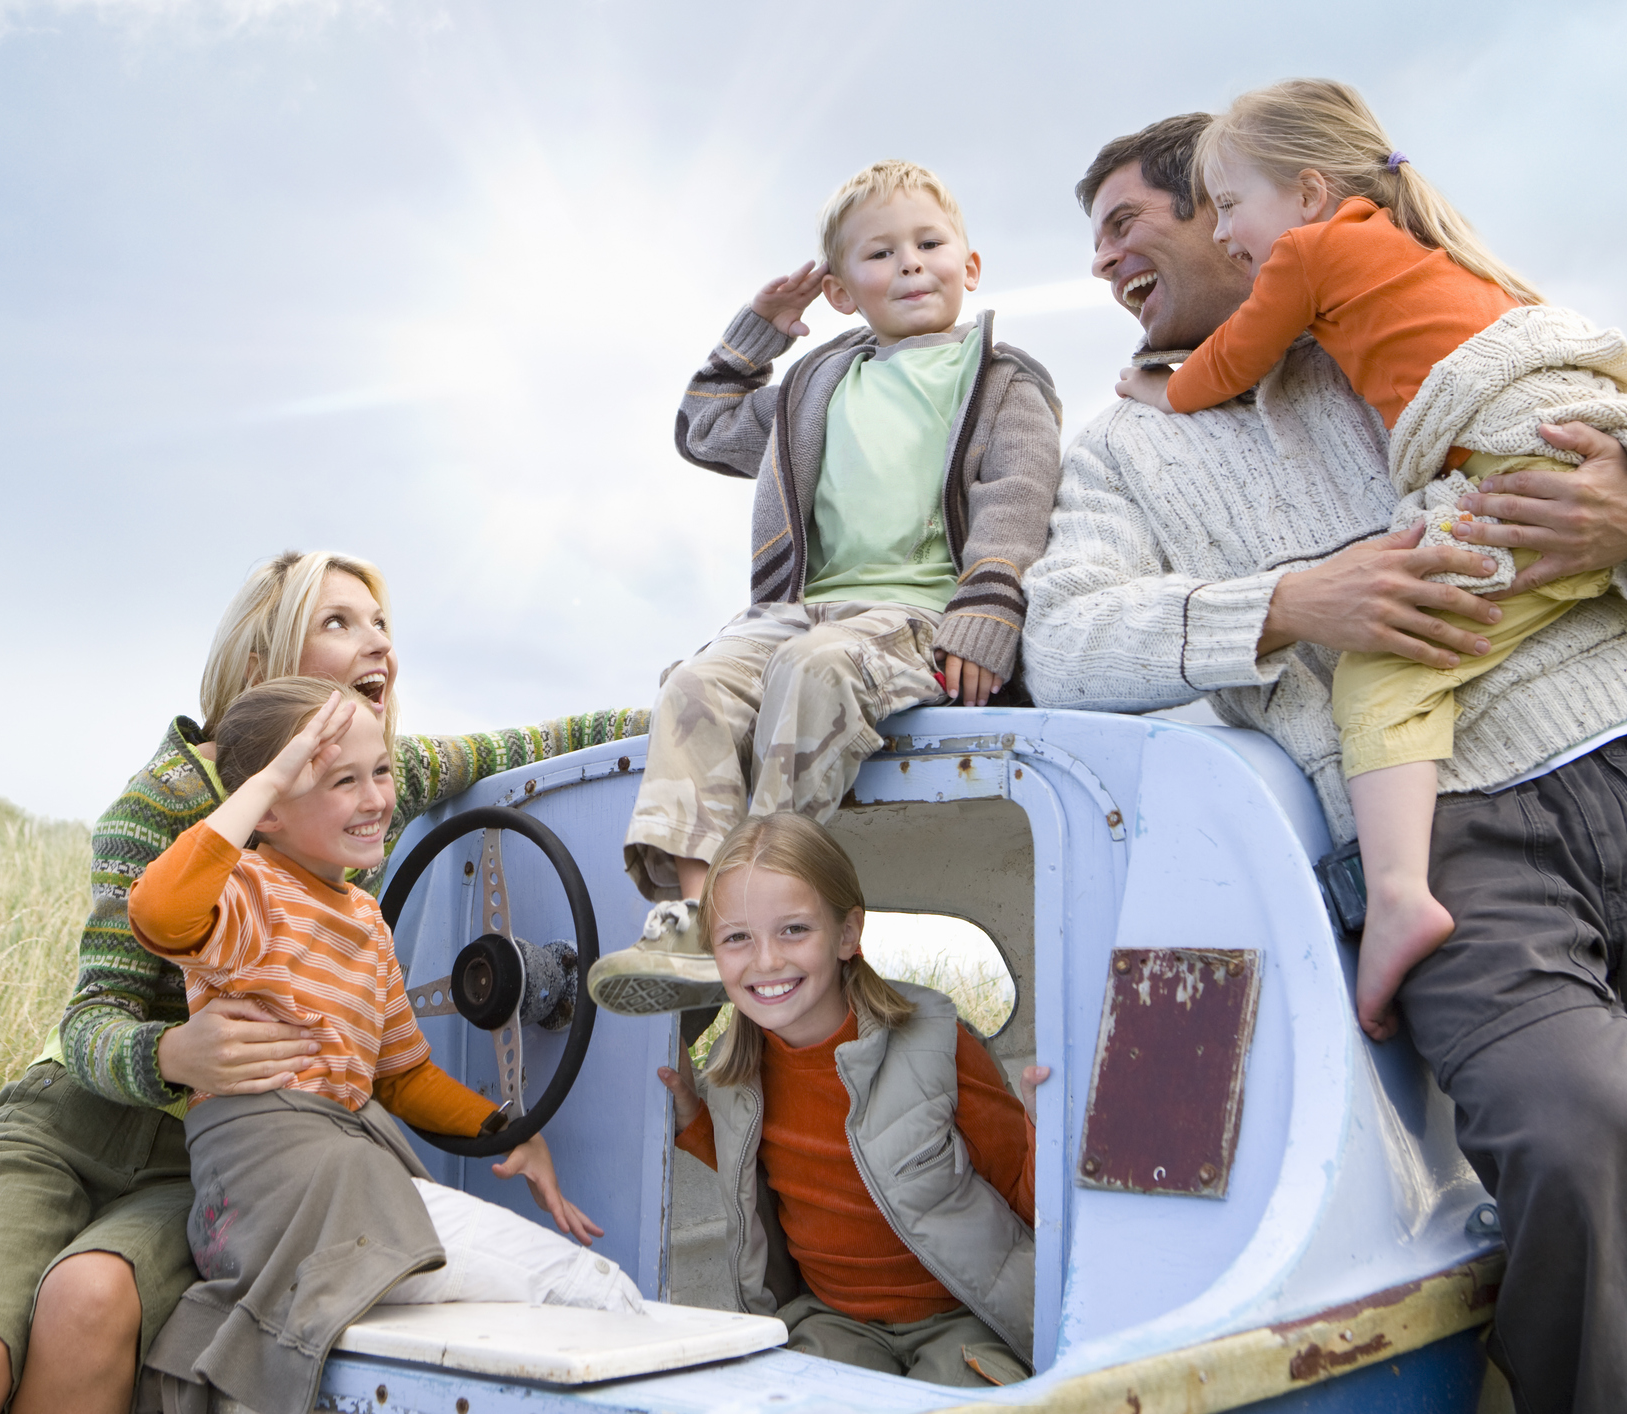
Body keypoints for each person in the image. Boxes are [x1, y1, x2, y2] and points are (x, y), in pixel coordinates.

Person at [1024, 113, 1627, 1413]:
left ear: (1242, 214)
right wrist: (1297, 603)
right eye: (1091, 239)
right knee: (1580, 1145)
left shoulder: (1435, 322)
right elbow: (1066, 642)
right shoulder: (1117, 450)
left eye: (1132, 220)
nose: (1104, 260)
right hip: (1455, 849)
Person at [0, 549, 648, 1414]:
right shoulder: (172, 815)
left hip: (203, 1165)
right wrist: (175, 1050)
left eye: (381, 625)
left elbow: (534, 746)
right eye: (338, 623)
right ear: (260, 668)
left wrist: (684, 711)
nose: (379, 648)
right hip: (79, 1120)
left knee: (88, 1299)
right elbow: (101, 1008)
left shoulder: (367, 788)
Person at [1111, 80, 1627, 1040]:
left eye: (1226, 204)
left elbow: (1229, 364)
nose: (1100, 261)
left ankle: (1400, 889)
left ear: (1308, 195)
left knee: (1377, 673)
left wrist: (1153, 393)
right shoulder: (1429, 262)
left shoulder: (1312, 255)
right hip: (1553, 476)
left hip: (1515, 476)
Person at [592, 159, 1063, 1019]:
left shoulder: (1002, 381)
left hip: (916, 616)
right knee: (695, 683)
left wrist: (988, 612)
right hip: (796, 609)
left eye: (928, 243)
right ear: (842, 294)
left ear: (971, 264)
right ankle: (701, 919)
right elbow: (704, 432)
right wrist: (760, 334)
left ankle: (765, 917)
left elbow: (1017, 502)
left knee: (813, 671)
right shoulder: (816, 384)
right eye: (880, 255)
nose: (910, 264)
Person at [129, 678, 636, 1414]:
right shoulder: (251, 895)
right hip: (292, 1181)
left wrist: (509, 1131)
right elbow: (156, 907)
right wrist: (270, 777)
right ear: (268, 808)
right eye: (341, 780)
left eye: (382, 772)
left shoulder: (365, 921)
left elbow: (404, 1075)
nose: (375, 800)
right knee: (593, 1291)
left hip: (339, 1171)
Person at [655, 812, 1034, 1386]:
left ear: (848, 934)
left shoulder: (934, 1045)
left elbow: (1018, 1196)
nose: (766, 961)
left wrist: (1043, 1131)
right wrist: (690, 1113)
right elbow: (769, 1162)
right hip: (835, 1319)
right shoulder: (736, 1075)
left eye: (793, 930)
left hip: (963, 1314)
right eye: (737, 938)